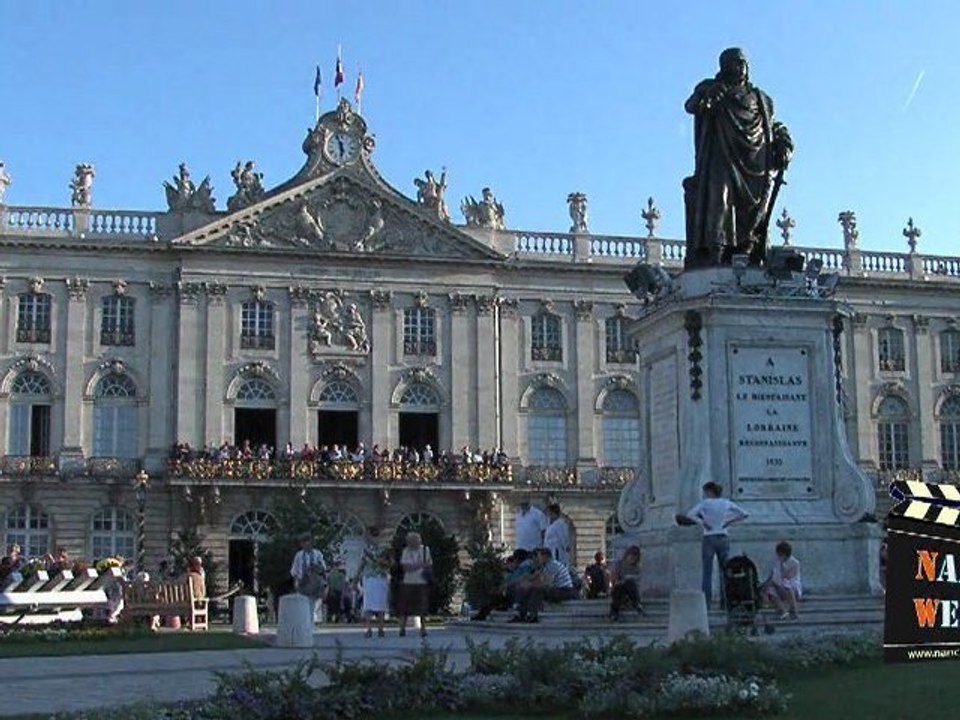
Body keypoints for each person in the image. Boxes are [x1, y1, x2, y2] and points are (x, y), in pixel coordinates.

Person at [683, 47, 793, 268]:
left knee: (753, 214)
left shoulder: (762, 99)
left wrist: (784, 143)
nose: (739, 67)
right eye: (733, 63)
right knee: (718, 202)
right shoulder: (711, 88)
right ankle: (716, 252)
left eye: (742, 63)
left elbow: (773, 127)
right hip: (721, 156)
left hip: (755, 162)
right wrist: (708, 96)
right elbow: (691, 106)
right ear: (724, 67)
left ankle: (748, 250)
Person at [684, 481, 749, 607]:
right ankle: (725, 600)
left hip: (709, 537)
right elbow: (745, 514)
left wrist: (703, 522)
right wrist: (729, 522)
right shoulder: (726, 502)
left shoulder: (706, 503)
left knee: (707, 571)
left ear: (709, 491)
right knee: (725, 570)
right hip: (723, 536)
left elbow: (690, 514)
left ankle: (706, 602)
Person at [511, 548, 577, 623]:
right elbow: (537, 579)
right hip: (558, 589)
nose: (538, 559)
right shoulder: (545, 566)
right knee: (530, 589)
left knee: (537, 590)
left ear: (545, 556)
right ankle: (520, 612)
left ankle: (532, 614)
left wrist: (531, 585)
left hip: (564, 590)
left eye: (539, 557)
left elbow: (547, 583)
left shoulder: (552, 565)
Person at [396, 531, 433, 638]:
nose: (412, 543)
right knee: (405, 607)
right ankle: (402, 628)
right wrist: (420, 565)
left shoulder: (425, 550)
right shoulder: (406, 551)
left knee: (422, 607)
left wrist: (414, 566)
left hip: (422, 582)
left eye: (415, 541)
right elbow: (406, 568)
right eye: (410, 542)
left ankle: (423, 629)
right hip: (408, 582)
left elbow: (428, 564)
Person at [290, 533, 327, 624]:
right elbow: (295, 570)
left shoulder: (317, 554)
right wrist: (297, 582)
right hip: (303, 581)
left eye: (308, 542)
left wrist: (316, 567)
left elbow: (323, 568)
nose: (306, 545)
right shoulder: (299, 555)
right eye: (303, 542)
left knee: (314, 602)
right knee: (303, 602)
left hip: (315, 582)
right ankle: (305, 621)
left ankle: (314, 620)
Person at [761, 541, 802, 620]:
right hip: (779, 586)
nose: (778, 556)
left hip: (792, 588)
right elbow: (773, 575)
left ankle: (794, 611)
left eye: (780, 554)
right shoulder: (776, 561)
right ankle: (783, 611)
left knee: (787, 585)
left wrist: (782, 565)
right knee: (770, 590)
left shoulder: (795, 563)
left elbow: (788, 576)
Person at [609, 546, 643, 621]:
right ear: (627, 555)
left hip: (631, 591)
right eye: (631, 556)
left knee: (629, 582)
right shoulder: (619, 564)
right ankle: (614, 613)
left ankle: (636, 603)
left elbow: (637, 583)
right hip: (619, 589)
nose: (632, 559)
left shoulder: (636, 568)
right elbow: (614, 579)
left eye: (635, 558)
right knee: (618, 589)